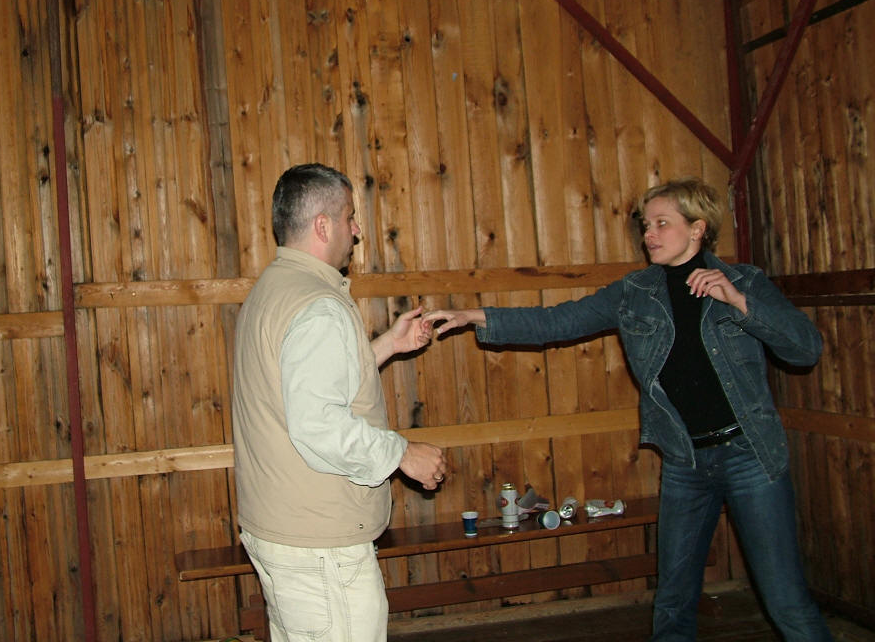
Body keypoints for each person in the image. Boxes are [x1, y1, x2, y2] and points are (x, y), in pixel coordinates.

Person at [423, 177, 831, 642]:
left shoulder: (745, 282)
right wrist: (473, 316)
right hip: (685, 461)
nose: (648, 234)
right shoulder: (635, 292)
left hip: (751, 456)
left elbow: (805, 349)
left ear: (697, 228)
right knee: (673, 599)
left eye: (662, 223)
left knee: (785, 599)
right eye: (645, 225)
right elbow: (559, 320)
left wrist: (739, 303)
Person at [231, 163, 448, 642]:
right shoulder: (317, 306)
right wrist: (402, 453)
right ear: (323, 225)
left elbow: (303, 386)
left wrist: (388, 345)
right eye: (350, 217)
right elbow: (319, 425)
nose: (357, 230)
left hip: (285, 532)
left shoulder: (273, 290)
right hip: (320, 548)